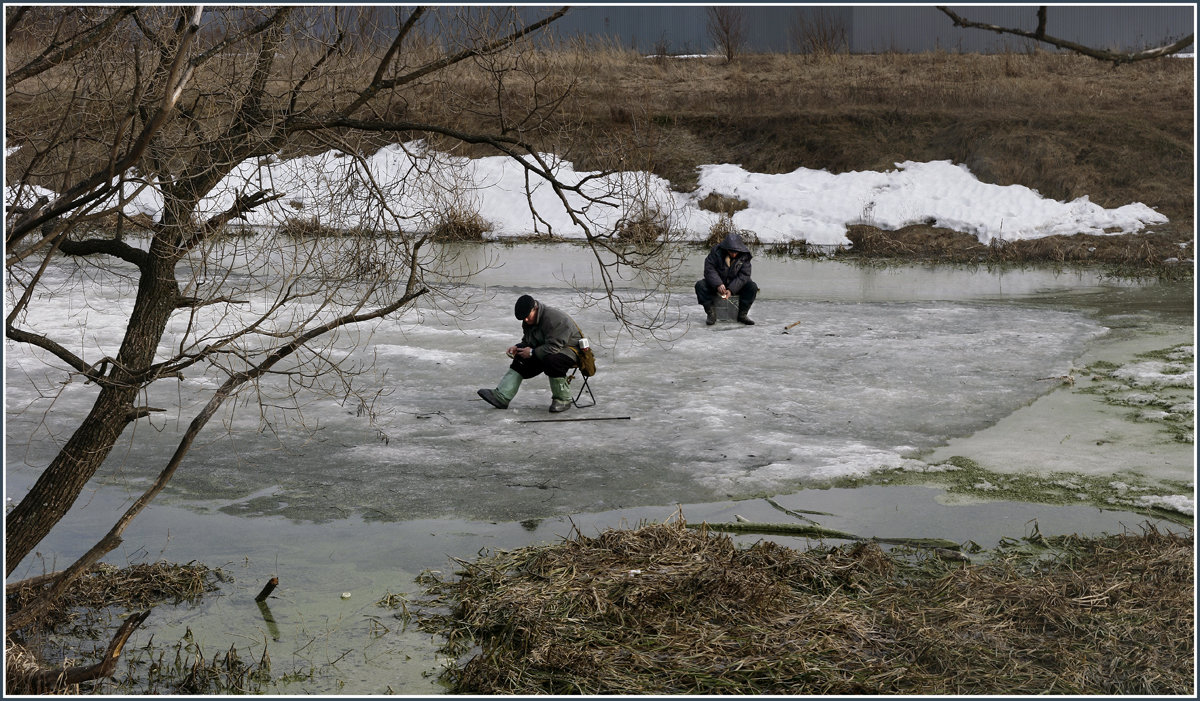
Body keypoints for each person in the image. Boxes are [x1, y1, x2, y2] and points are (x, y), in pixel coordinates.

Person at [478, 294, 584, 413]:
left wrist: (532, 352)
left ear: (535, 308)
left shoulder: (555, 319)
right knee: (520, 357)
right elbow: (529, 342)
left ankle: (563, 399)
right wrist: (517, 347)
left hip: (572, 351)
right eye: (523, 319)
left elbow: (554, 347)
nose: (526, 320)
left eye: (527, 317)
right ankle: (502, 396)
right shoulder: (528, 320)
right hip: (548, 349)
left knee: (552, 360)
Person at [695, 232, 758, 325]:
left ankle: (742, 314)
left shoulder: (745, 256)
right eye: (731, 251)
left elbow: (744, 275)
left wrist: (731, 290)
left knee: (752, 287)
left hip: (736, 284)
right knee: (700, 285)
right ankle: (711, 313)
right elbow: (709, 270)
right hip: (717, 283)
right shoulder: (716, 253)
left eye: (735, 252)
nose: (733, 254)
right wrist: (718, 284)